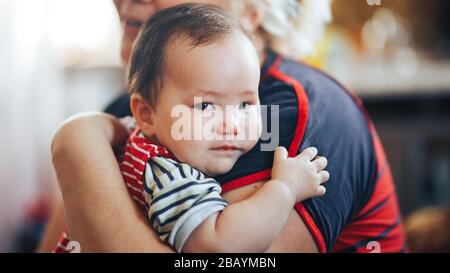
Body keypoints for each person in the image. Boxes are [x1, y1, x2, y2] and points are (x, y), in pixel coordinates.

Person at [43, 0, 407, 253]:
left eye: (245, 104)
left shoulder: (289, 115)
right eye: (205, 105)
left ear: (249, 11)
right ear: (145, 113)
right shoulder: (124, 113)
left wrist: (76, 148)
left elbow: (223, 244)